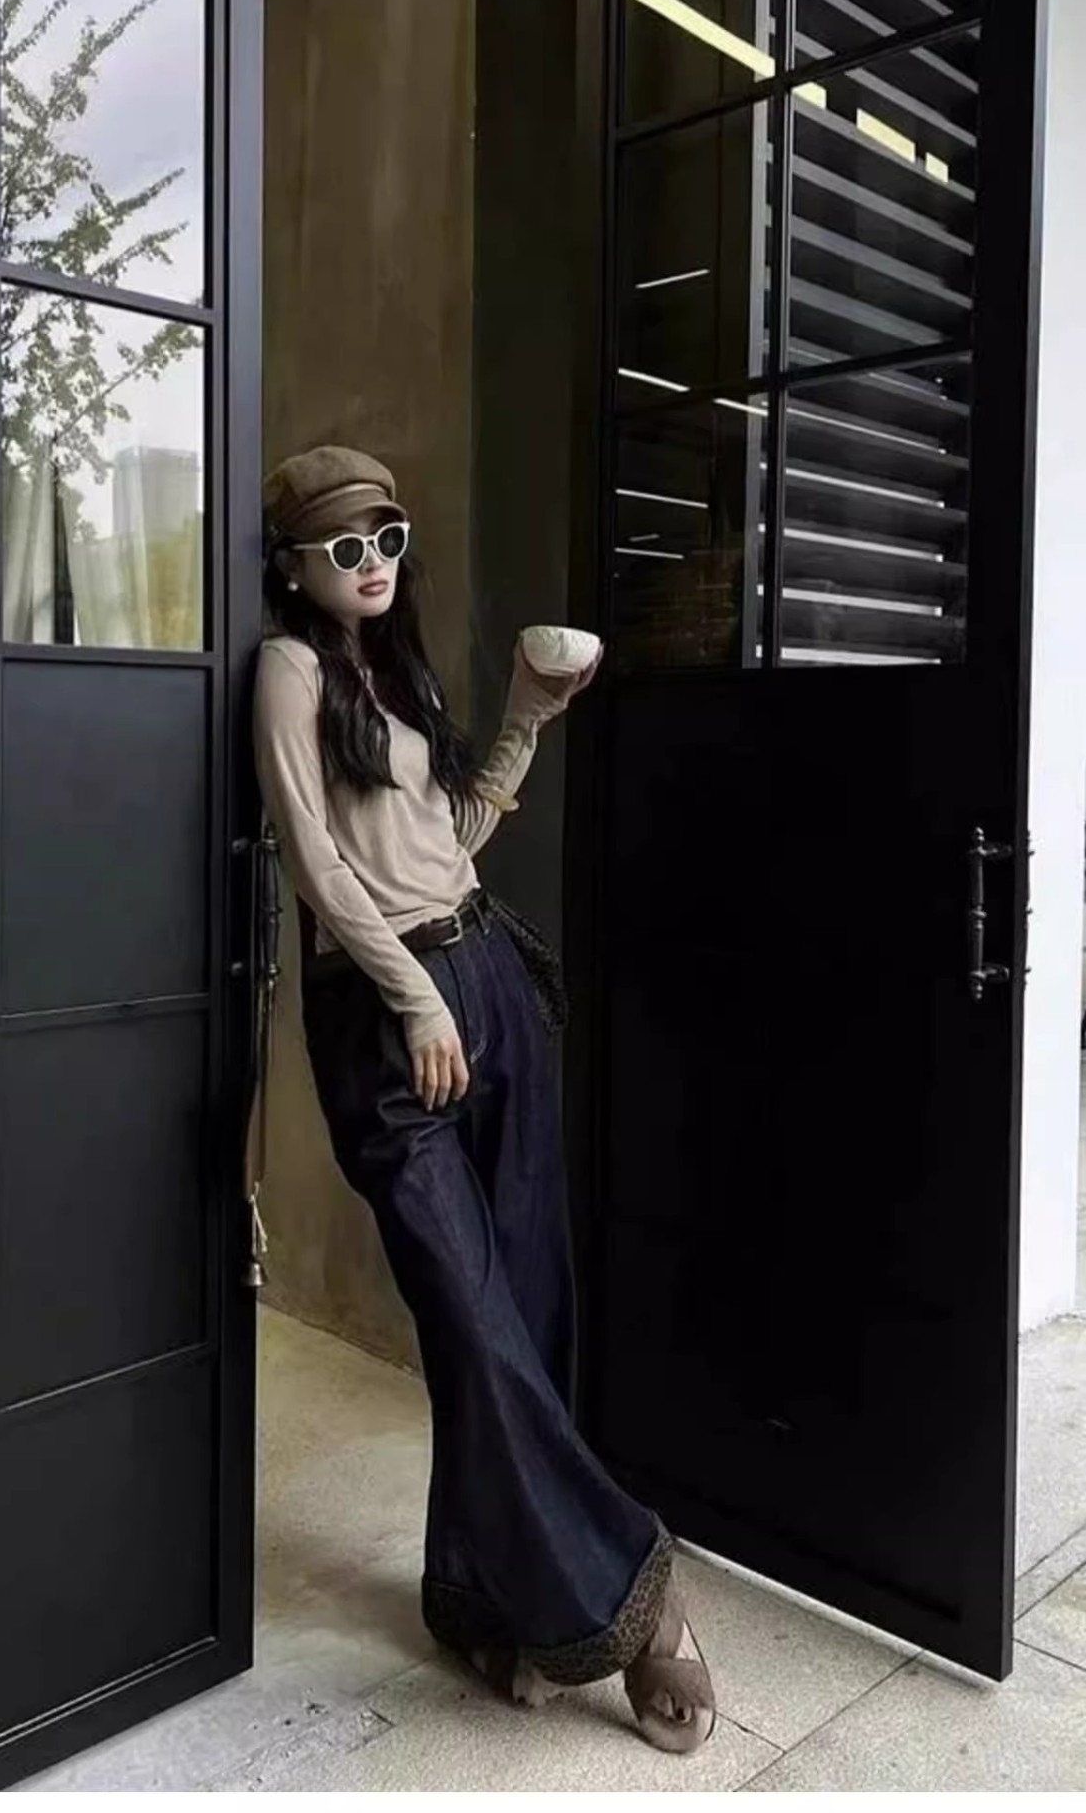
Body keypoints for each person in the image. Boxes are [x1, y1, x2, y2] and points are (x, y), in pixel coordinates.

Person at [252, 445, 716, 1752]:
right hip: (389, 1013)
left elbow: (444, 845)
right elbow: (316, 863)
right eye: (346, 547)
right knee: (467, 1316)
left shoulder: (394, 672)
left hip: (488, 979)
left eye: (387, 538)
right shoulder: (287, 672)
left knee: (528, 1300)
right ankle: (636, 1589)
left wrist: (521, 714)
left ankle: (483, 1597)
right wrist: (412, 1000)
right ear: (293, 565)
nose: (373, 563)